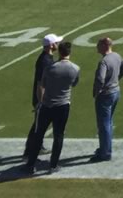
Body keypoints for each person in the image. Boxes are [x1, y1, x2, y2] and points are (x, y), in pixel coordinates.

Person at [26, 39, 80, 173]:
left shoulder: (49, 68)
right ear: (69, 52)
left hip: (47, 105)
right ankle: (53, 165)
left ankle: (30, 165)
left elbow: (42, 85)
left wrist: (40, 101)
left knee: (39, 135)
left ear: (59, 52)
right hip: (63, 105)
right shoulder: (75, 68)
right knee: (59, 136)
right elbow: (73, 84)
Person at [92, 36, 123, 162]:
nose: (97, 47)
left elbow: (100, 79)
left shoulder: (104, 62)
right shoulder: (116, 56)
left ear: (104, 46)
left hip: (106, 94)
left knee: (104, 124)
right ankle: (106, 147)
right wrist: (117, 79)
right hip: (115, 91)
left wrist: (97, 91)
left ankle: (105, 152)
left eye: (98, 45)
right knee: (108, 122)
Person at [24, 34, 59, 162]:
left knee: (39, 125)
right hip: (43, 99)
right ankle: (29, 151)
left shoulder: (47, 58)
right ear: (51, 45)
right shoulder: (45, 61)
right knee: (38, 126)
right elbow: (41, 83)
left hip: (45, 98)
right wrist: (41, 101)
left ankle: (37, 147)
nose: (58, 44)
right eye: (56, 42)